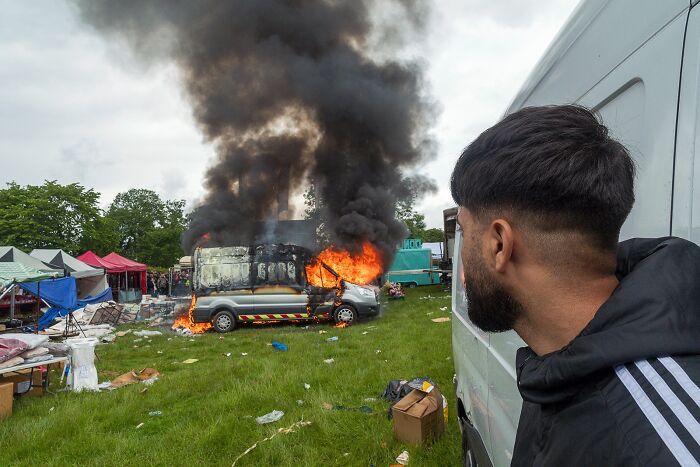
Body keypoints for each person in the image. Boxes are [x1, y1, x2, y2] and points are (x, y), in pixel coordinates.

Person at [450, 105, 700, 466]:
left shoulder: (663, 444)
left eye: (464, 230)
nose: (461, 264)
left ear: (499, 245)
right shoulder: (559, 366)